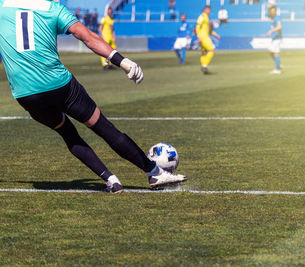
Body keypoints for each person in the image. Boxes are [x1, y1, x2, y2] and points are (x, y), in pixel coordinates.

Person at [0, 0, 186, 193]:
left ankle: (111, 180)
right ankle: (153, 171)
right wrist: (122, 61)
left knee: (68, 134)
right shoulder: (53, 9)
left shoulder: (3, 6)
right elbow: (87, 36)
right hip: (59, 85)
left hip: (26, 94)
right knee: (103, 128)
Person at [195, 5, 221, 74]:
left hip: (204, 37)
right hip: (203, 37)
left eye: (209, 10)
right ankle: (204, 66)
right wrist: (198, 37)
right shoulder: (202, 17)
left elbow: (209, 30)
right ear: (205, 10)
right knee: (212, 50)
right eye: (208, 10)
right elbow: (197, 26)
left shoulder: (207, 18)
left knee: (204, 52)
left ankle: (204, 66)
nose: (209, 11)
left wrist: (215, 35)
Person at [266, 5, 282, 74]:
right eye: (271, 11)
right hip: (274, 38)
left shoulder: (277, 18)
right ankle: (278, 64)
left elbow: (279, 27)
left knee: (275, 53)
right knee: (270, 51)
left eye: (273, 11)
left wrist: (271, 31)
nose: (272, 12)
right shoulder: (273, 18)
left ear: (275, 11)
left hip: (277, 38)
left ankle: (278, 69)